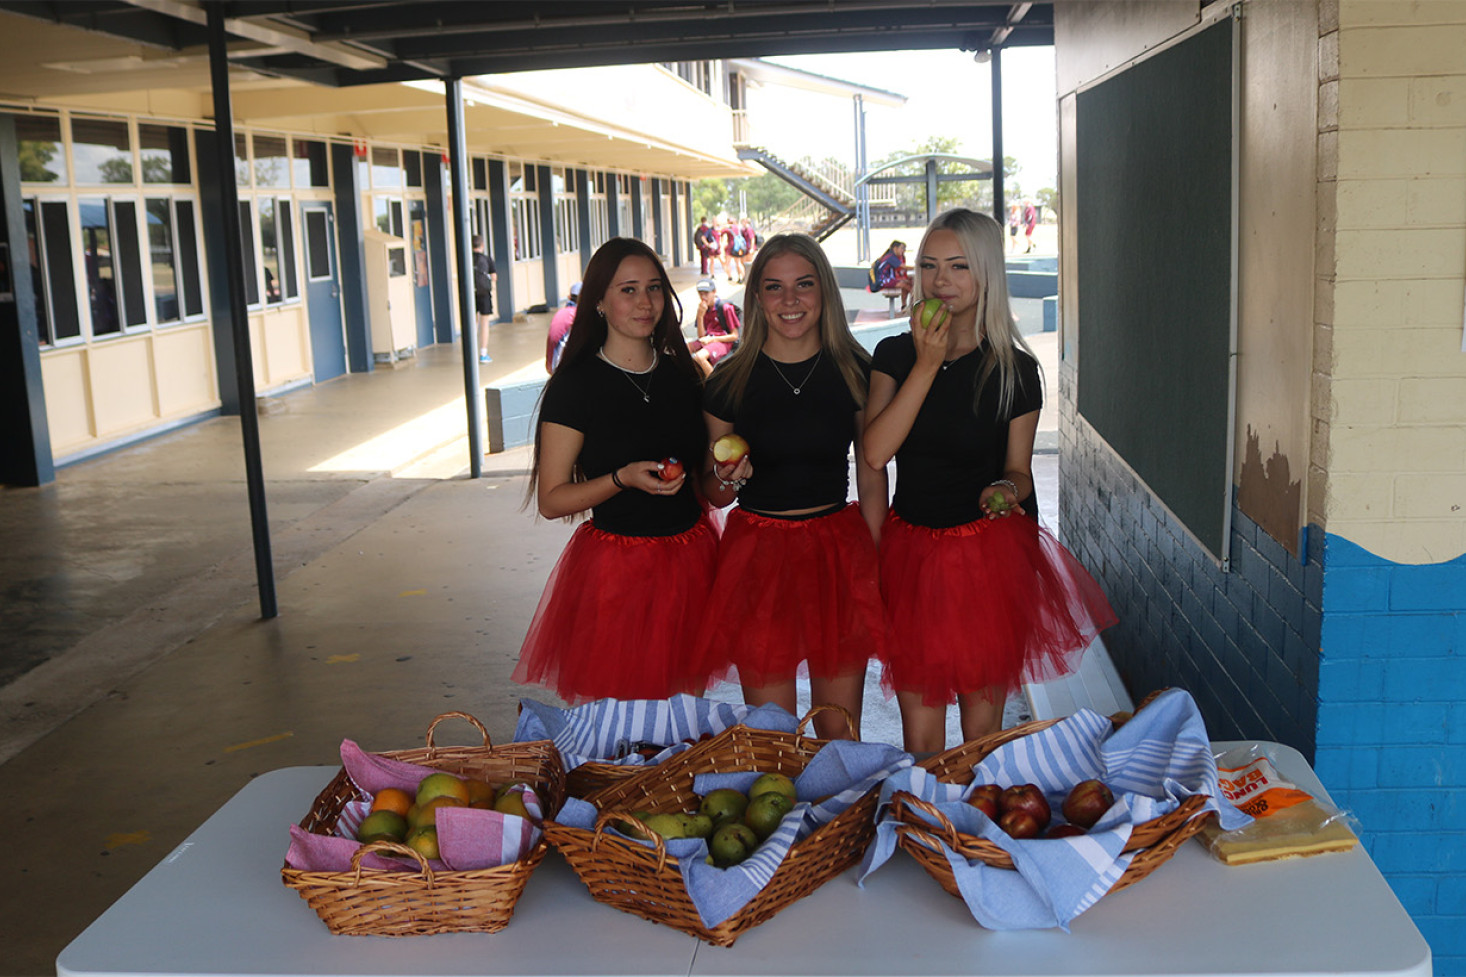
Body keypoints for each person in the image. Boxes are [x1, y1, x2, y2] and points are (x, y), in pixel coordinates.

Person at [862, 208, 1116, 755]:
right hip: (911, 553)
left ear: (986, 275)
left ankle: (975, 832)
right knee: (922, 734)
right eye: (929, 266)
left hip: (984, 557)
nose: (940, 281)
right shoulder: (894, 354)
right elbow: (876, 452)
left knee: (983, 736)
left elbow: (1020, 472)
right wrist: (928, 363)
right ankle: (928, 829)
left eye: (958, 266)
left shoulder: (1015, 369)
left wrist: (1006, 490)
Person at [514, 238, 723, 704]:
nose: (645, 302)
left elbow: (709, 486)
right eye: (628, 289)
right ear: (600, 303)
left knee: (682, 721)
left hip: (692, 565)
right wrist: (620, 479)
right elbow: (552, 500)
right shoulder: (575, 386)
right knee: (618, 729)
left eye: (653, 287)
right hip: (615, 573)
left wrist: (729, 474)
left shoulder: (688, 376)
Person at [698, 233, 888, 740]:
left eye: (803, 284)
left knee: (839, 734)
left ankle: (841, 820)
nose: (789, 300)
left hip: (836, 551)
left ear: (824, 290)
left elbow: (871, 477)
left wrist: (872, 560)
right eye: (774, 287)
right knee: (771, 738)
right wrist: (724, 476)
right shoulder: (729, 379)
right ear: (757, 297)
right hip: (758, 555)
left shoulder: (855, 370)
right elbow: (714, 495)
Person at [687, 277, 740, 378]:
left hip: (722, 341)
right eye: (700, 293)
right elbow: (701, 336)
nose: (703, 297)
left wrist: (713, 339)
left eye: (706, 293)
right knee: (682, 349)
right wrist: (700, 316)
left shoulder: (725, 307)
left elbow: (734, 336)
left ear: (714, 292)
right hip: (708, 339)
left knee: (699, 357)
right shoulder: (703, 308)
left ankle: (714, 384)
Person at [544, 281, 581, 373]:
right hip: (562, 371)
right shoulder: (578, 316)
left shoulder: (561, 312)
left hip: (551, 367)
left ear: (569, 297)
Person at [473, 235, 497, 364]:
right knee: (484, 323)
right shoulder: (487, 259)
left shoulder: (467, 258)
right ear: (482, 245)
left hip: (471, 294)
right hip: (484, 294)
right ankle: (483, 353)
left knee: (473, 323)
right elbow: (494, 277)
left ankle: (471, 352)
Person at [870, 240, 912, 309]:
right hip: (883, 280)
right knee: (906, 286)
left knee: (907, 283)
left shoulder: (891, 256)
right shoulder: (891, 257)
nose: (903, 251)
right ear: (895, 248)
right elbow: (903, 267)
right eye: (901, 248)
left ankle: (904, 306)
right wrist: (917, 267)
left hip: (887, 279)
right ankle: (915, 302)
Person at [716, 217, 740, 283]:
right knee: (738, 263)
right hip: (737, 247)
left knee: (727, 263)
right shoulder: (737, 228)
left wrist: (724, 226)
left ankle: (730, 276)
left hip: (730, 247)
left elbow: (720, 232)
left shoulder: (728, 228)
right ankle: (741, 276)